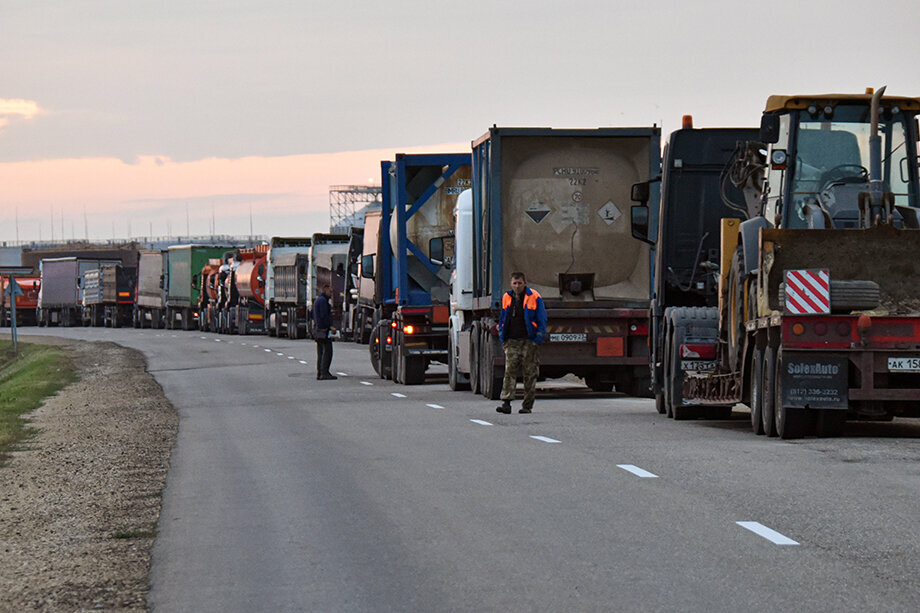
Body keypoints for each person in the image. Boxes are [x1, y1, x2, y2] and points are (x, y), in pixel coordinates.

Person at [496, 271, 546, 414]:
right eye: (514, 283)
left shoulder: (534, 297)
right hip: (512, 340)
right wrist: (502, 336)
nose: (517, 286)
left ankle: (527, 406)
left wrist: (538, 338)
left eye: (519, 283)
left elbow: (541, 318)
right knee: (509, 371)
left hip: (528, 341)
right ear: (511, 284)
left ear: (525, 283)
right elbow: (503, 317)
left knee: (529, 373)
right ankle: (506, 403)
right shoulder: (507, 297)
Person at [312, 284, 337, 380]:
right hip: (323, 330)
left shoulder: (318, 300)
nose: (331, 293)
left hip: (318, 330)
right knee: (327, 352)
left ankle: (320, 372)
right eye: (330, 291)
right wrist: (330, 327)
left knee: (320, 352)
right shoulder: (323, 301)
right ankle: (324, 372)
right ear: (325, 290)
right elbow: (323, 316)